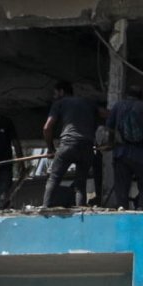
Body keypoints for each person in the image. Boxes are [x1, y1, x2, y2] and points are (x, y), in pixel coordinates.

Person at [42, 80, 100, 208]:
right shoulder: (88, 102)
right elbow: (107, 114)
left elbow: (47, 128)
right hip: (87, 147)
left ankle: (45, 210)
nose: (53, 96)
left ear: (62, 92)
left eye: (55, 93)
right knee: (80, 185)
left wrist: (51, 149)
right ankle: (81, 212)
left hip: (68, 145)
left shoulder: (59, 103)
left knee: (53, 179)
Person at [108, 84, 143, 209]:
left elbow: (109, 128)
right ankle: (141, 208)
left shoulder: (118, 106)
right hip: (141, 154)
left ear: (127, 94)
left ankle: (122, 208)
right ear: (141, 97)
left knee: (121, 185)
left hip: (120, 153)